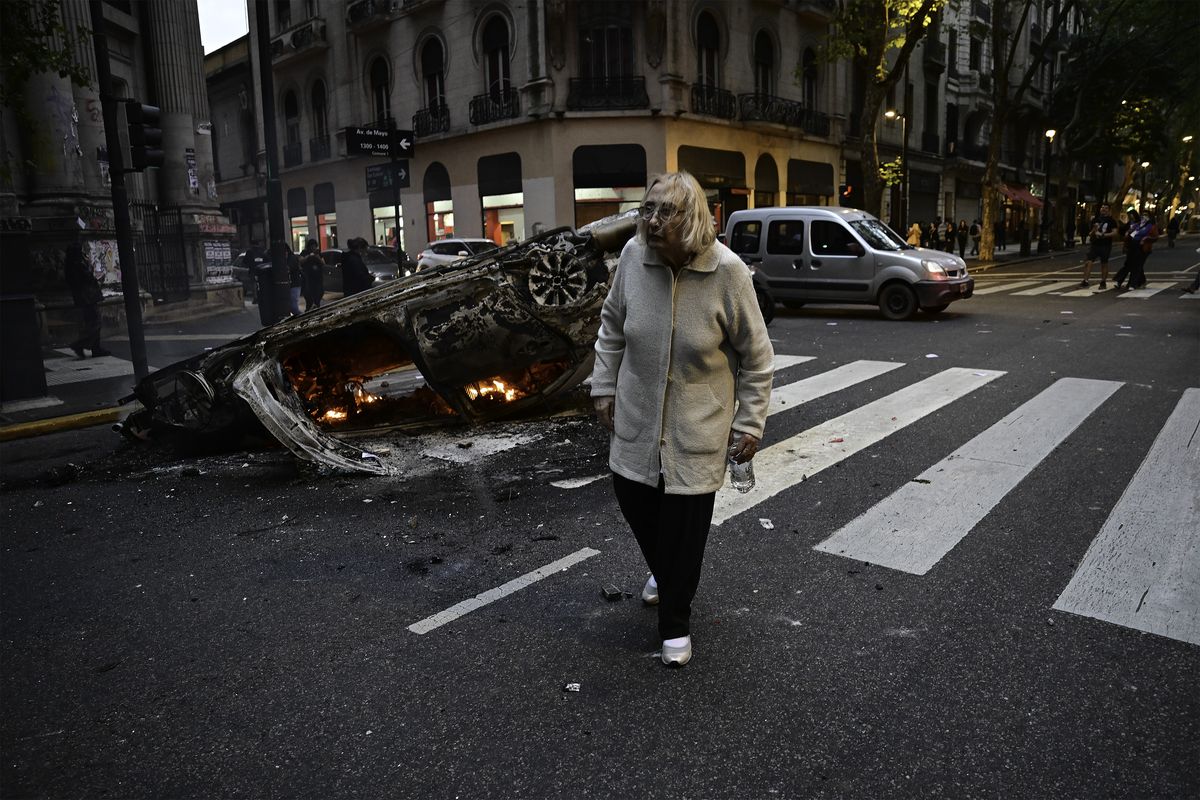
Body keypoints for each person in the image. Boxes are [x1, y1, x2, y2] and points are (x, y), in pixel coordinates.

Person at [590, 171, 774, 668]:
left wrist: (750, 422)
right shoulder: (633, 257)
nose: (649, 221)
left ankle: (675, 623)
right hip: (637, 415)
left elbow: (757, 357)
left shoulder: (727, 273)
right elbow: (611, 326)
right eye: (646, 209)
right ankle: (664, 570)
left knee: (685, 529)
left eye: (662, 212)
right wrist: (603, 385)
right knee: (634, 499)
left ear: (690, 219)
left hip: (699, 423)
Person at [63, 242, 110, 358]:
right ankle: (80, 344)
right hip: (87, 297)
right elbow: (87, 277)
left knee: (92, 322)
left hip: (84, 297)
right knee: (95, 322)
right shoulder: (77, 264)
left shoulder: (70, 264)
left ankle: (95, 348)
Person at [1115, 212, 1159, 290]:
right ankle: (1136, 281)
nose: (1144, 217)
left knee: (1137, 265)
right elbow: (1131, 234)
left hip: (1143, 248)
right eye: (1143, 215)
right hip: (1133, 246)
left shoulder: (1151, 226)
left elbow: (1155, 237)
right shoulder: (1137, 225)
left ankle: (1132, 283)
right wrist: (1128, 233)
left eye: (1146, 215)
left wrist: (1146, 238)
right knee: (1129, 264)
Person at [1079, 202, 1118, 289]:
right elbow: (1090, 233)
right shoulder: (1096, 219)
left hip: (1105, 244)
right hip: (1095, 244)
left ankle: (1103, 281)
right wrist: (1094, 229)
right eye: (1102, 207)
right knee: (1088, 262)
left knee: (1104, 263)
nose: (1103, 209)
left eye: (1105, 208)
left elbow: (1115, 232)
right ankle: (1085, 280)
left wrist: (1104, 235)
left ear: (1109, 210)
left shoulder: (1111, 221)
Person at [300, 240, 325, 310]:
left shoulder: (318, 253)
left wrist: (317, 256)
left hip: (318, 278)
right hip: (308, 278)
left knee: (318, 296)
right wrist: (309, 256)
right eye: (312, 246)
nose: (313, 248)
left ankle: (316, 307)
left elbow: (323, 263)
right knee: (309, 298)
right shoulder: (304, 252)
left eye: (314, 246)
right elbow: (301, 261)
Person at [286, 245, 302, 315]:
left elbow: (288, 268)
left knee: (293, 307)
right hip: (291, 284)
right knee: (291, 306)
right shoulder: (289, 258)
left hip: (294, 284)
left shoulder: (292, 258)